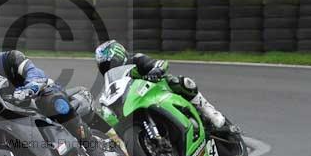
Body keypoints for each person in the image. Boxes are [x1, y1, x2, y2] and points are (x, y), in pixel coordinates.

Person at [0, 34, 106, 156]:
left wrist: (30, 87)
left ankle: (90, 143)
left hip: (39, 95)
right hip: (12, 114)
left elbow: (33, 71)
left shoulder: (10, 59)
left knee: (51, 102)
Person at [94, 39, 237, 133]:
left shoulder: (136, 59)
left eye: (109, 63)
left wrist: (156, 70)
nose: (108, 68)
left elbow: (159, 63)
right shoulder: (111, 83)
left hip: (157, 90)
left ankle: (211, 113)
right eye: (104, 66)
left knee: (183, 82)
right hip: (136, 104)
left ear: (118, 55)